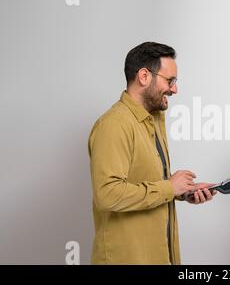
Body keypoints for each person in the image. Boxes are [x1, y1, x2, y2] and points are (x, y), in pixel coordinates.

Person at [88, 42, 215, 264]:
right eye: (170, 81)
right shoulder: (114, 125)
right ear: (144, 76)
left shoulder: (153, 120)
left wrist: (181, 192)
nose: (175, 89)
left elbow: (145, 183)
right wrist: (169, 187)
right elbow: (107, 194)